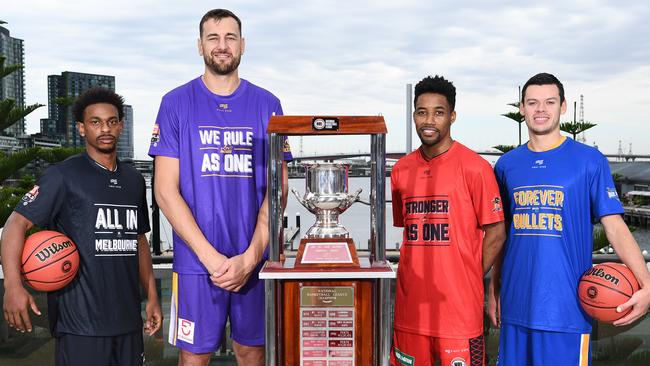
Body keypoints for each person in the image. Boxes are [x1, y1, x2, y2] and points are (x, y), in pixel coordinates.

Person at [148, 8, 291, 366]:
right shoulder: (175, 103)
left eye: (230, 38)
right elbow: (165, 190)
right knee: (194, 356)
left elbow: (279, 191)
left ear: (243, 45)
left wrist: (251, 256)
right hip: (197, 264)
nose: (222, 45)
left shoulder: (268, 105)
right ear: (200, 46)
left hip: (254, 261)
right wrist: (211, 259)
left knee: (252, 352)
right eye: (213, 38)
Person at [489, 72, 650, 365]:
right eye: (532, 102)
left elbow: (614, 227)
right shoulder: (506, 165)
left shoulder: (589, 160)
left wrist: (646, 284)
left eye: (549, 102)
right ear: (522, 109)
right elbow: (502, 234)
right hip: (514, 308)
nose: (541, 110)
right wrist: (493, 289)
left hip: (566, 311)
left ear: (563, 106)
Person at [1, 88, 161, 366]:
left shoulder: (134, 180)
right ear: (81, 128)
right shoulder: (63, 175)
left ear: (121, 125)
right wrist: (13, 286)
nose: (105, 128)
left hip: (128, 322)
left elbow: (139, 241)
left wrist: (152, 296)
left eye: (112, 121)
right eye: (95, 122)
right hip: (80, 325)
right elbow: (15, 223)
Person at [390, 75, 506, 366]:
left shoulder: (476, 168)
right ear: (414, 115)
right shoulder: (401, 170)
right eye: (421, 112)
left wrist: (467, 275)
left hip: (458, 317)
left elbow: (497, 232)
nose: (429, 120)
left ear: (452, 116)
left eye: (438, 112)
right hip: (410, 314)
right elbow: (407, 232)